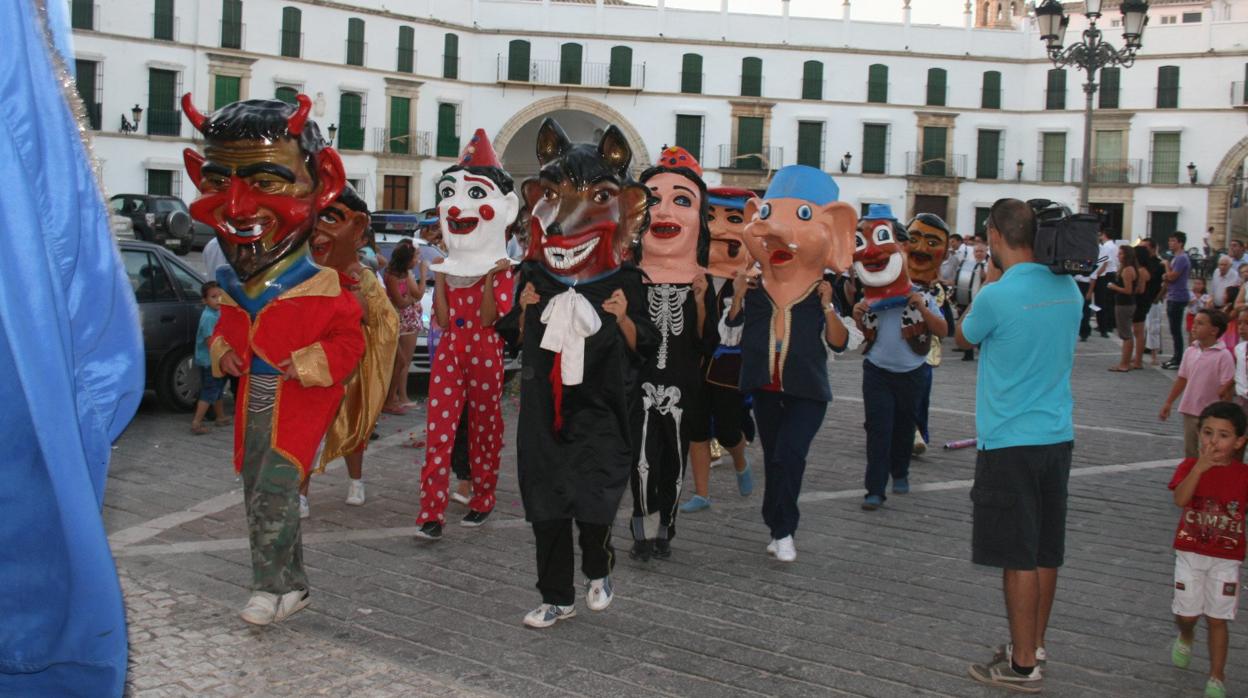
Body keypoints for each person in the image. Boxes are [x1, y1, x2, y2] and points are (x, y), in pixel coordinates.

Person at [182, 94, 365, 626]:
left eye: (265, 181)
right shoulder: (238, 287)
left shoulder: (327, 288)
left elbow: (347, 345)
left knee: (276, 494)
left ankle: (266, 588)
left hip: (293, 407)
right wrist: (224, 354)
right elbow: (228, 330)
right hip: (251, 406)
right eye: (218, 183)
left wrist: (305, 362)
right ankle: (293, 586)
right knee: (259, 494)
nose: (236, 207)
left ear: (322, 182)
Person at [496, 119, 657, 628]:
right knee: (545, 503)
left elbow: (646, 346)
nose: (567, 213)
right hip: (545, 412)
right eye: (555, 194)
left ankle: (598, 567)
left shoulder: (627, 280)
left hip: (602, 411)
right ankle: (555, 596)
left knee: (592, 501)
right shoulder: (533, 275)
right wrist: (522, 310)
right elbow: (510, 337)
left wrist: (623, 317)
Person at [957, 198, 1082, 693]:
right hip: (1057, 435)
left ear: (994, 237)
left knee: (1017, 555)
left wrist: (990, 282)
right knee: (1047, 549)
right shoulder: (1068, 288)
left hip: (1008, 439)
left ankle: (1023, 663)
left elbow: (966, 337)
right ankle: (1035, 643)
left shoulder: (997, 295)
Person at [728, 165, 856, 562]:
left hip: (807, 391)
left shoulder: (825, 291)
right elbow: (728, 333)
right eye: (765, 217)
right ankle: (776, 522)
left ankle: (785, 529)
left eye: (802, 217)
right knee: (774, 458)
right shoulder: (752, 288)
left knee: (790, 455)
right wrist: (735, 296)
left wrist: (827, 308)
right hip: (766, 389)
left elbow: (841, 342)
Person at [414, 129, 519, 539]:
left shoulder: (504, 272)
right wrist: (442, 278)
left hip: (485, 348)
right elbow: (440, 319)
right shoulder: (445, 266)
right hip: (451, 349)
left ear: (505, 208)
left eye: (475, 194)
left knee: (484, 425)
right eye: (450, 193)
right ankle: (430, 511)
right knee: (440, 429)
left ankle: (483, 497)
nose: (456, 205)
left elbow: (492, 318)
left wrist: (491, 280)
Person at [628, 146, 717, 561]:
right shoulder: (630, 279)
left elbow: (706, 341)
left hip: (683, 384)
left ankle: (666, 527)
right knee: (641, 459)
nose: (664, 212)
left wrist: (699, 300)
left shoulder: (702, 280)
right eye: (653, 199)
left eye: (682, 200)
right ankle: (641, 531)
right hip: (639, 383)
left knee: (674, 461)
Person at [306, 186, 399, 507]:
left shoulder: (365, 277)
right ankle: (300, 495)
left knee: (353, 427)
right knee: (306, 432)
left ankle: (355, 482)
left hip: (350, 368)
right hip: (312, 364)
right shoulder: (305, 274)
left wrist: (355, 289)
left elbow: (379, 320)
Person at [852, 206, 948, 510]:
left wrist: (922, 307)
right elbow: (862, 331)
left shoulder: (923, 292)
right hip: (877, 370)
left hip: (912, 371)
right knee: (878, 430)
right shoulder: (870, 291)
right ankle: (875, 490)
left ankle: (901, 470)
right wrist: (857, 315)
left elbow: (942, 330)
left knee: (905, 425)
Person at [680, 185, 758, 514]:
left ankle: (740, 460)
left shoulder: (755, 283)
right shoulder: (691, 277)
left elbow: (735, 332)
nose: (718, 227)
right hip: (697, 365)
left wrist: (739, 295)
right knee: (696, 429)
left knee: (728, 430)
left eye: (734, 218)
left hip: (728, 368)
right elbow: (696, 330)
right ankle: (701, 493)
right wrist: (697, 299)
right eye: (710, 217)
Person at [1166, 401, 1248, 698]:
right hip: (1190, 554)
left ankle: (1216, 675)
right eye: (1208, 432)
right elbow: (1180, 499)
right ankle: (1186, 635)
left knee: (1218, 618)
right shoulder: (1189, 466)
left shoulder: (1243, 475)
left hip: (1227, 558)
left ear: (1239, 441)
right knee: (1187, 615)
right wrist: (1199, 467)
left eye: (1224, 435)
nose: (1214, 441)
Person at [1160, 309, 1235, 459]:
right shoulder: (1190, 351)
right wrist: (1169, 402)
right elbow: (1182, 378)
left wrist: (1225, 414)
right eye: (1194, 322)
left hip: (1211, 414)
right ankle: (1191, 477)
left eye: (1200, 323)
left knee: (1209, 451)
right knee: (1190, 450)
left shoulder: (1224, 355)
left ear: (1214, 330)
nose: (1194, 326)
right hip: (1189, 409)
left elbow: (1227, 387)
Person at [382, 240, 425, 413]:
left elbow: (412, 296)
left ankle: (397, 397)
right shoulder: (394, 275)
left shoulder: (403, 274)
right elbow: (409, 298)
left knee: (402, 361)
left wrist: (410, 299)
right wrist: (423, 274)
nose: (417, 260)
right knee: (402, 361)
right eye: (415, 256)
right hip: (402, 320)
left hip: (407, 318)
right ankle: (398, 397)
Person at [190, 281, 230, 434]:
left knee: (217, 389)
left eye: (220, 296)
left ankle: (220, 417)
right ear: (204, 300)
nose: (218, 299)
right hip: (209, 361)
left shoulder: (216, 313)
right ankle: (196, 422)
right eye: (214, 297)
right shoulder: (208, 317)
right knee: (210, 390)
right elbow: (210, 341)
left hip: (214, 360)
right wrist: (223, 355)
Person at [1107, 245, 1139, 373]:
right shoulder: (1130, 269)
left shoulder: (1127, 270)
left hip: (1124, 304)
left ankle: (1124, 364)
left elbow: (1128, 290)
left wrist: (1113, 287)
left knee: (1126, 334)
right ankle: (1125, 362)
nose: (1118, 256)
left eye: (1120, 254)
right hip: (1127, 303)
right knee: (1126, 334)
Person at [1164, 232, 1193, 369]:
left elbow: (1172, 276)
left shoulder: (1181, 258)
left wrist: (1165, 266)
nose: (1170, 243)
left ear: (1180, 243)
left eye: (1173, 241)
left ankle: (1178, 358)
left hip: (1178, 296)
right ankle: (1176, 356)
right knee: (1173, 329)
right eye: (1170, 240)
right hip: (1172, 295)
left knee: (1176, 329)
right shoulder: (1176, 257)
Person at [1092, 230, 1119, 338]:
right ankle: (1107, 324)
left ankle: (1103, 326)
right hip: (1105, 274)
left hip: (1102, 275)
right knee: (1105, 302)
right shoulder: (1113, 246)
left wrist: (1094, 274)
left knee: (1102, 302)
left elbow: (1104, 264)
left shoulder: (1104, 247)